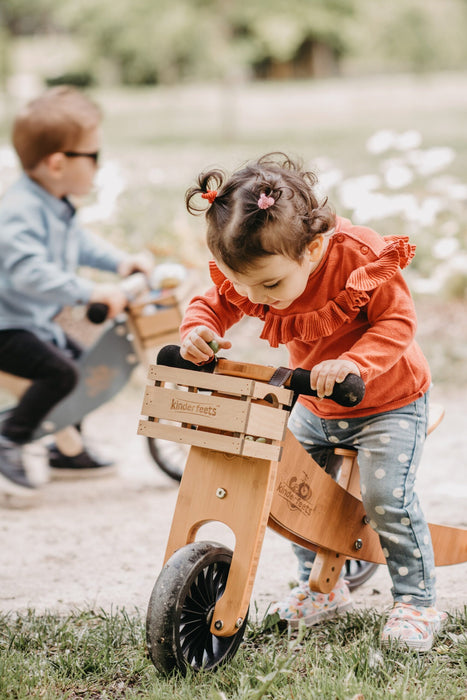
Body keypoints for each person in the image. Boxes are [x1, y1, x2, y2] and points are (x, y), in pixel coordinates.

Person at [178, 152, 446, 651]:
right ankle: (322, 588)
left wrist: (355, 364)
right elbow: (213, 300)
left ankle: (416, 600)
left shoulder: (357, 255)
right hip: (316, 405)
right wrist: (200, 329)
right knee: (293, 493)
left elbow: (397, 324)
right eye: (239, 282)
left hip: (388, 401)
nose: (253, 296)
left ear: (313, 248)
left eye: (270, 284)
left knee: (387, 501)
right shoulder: (253, 271)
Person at [0, 86, 153, 501]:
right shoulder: (20, 211)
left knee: (81, 366)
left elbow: (80, 245)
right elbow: (28, 273)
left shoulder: (54, 202)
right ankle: (8, 439)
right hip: (6, 327)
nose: (98, 166)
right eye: (93, 156)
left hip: (29, 322)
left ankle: (66, 452)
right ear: (56, 163)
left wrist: (121, 263)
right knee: (61, 373)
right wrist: (90, 291)